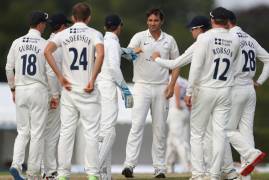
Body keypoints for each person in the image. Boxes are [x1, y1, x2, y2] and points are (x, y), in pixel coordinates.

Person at [44, 2, 104, 180]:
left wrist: (60, 77)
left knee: (66, 133)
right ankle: (93, 174)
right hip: (88, 89)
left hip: (69, 90)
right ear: (89, 18)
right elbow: (100, 54)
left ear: (73, 17)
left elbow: (47, 51)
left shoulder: (63, 34)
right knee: (91, 133)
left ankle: (63, 174)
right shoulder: (95, 33)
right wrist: (93, 78)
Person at [122, 8, 180, 178]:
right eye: (150, 20)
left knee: (160, 129)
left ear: (161, 21)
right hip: (141, 86)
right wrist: (134, 52)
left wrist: (171, 85)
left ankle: (160, 168)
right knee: (137, 126)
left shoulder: (169, 40)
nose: (152, 23)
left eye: (155, 20)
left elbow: (176, 65)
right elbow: (125, 54)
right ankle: (129, 166)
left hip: (161, 87)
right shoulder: (139, 37)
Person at [184, 7, 240, 180]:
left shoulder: (204, 37)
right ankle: (215, 174)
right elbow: (233, 67)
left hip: (206, 90)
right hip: (225, 91)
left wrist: (189, 91)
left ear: (212, 20)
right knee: (219, 134)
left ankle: (199, 174)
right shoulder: (234, 39)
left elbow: (196, 67)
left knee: (197, 134)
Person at [5, 11, 52, 179]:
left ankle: (16, 165)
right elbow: (49, 72)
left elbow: (8, 68)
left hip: (21, 89)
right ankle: (33, 173)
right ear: (40, 24)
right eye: (45, 23)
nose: (45, 25)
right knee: (37, 133)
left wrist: (13, 89)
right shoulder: (45, 44)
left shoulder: (16, 42)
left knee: (23, 131)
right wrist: (54, 94)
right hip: (38, 89)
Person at [224, 10, 268, 179]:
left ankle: (251, 154)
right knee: (246, 131)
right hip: (250, 88)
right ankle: (246, 174)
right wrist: (260, 81)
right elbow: (268, 59)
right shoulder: (249, 39)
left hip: (235, 87)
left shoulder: (230, 38)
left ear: (228, 22)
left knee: (225, 129)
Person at [97, 14, 133, 180]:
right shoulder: (112, 42)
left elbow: (118, 52)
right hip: (107, 87)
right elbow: (113, 67)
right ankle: (95, 168)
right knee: (109, 131)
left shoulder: (105, 40)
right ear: (120, 27)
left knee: (104, 132)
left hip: (99, 87)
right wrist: (125, 89)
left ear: (105, 27)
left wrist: (131, 52)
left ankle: (105, 176)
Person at [42, 13, 71, 180]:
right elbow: (51, 73)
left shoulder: (49, 42)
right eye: (66, 26)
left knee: (43, 132)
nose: (67, 28)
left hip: (45, 92)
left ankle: (43, 169)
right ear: (61, 27)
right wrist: (55, 95)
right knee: (52, 134)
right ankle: (50, 171)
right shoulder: (58, 45)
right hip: (53, 94)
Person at [165, 76, 190, 173]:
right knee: (171, 141)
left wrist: (177, 103)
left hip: (176, 110)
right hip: (185, 111)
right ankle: (169, 166)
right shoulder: (185, 81)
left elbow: (176, 86)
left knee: (178, 141)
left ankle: (187, 164)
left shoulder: (172, 79)